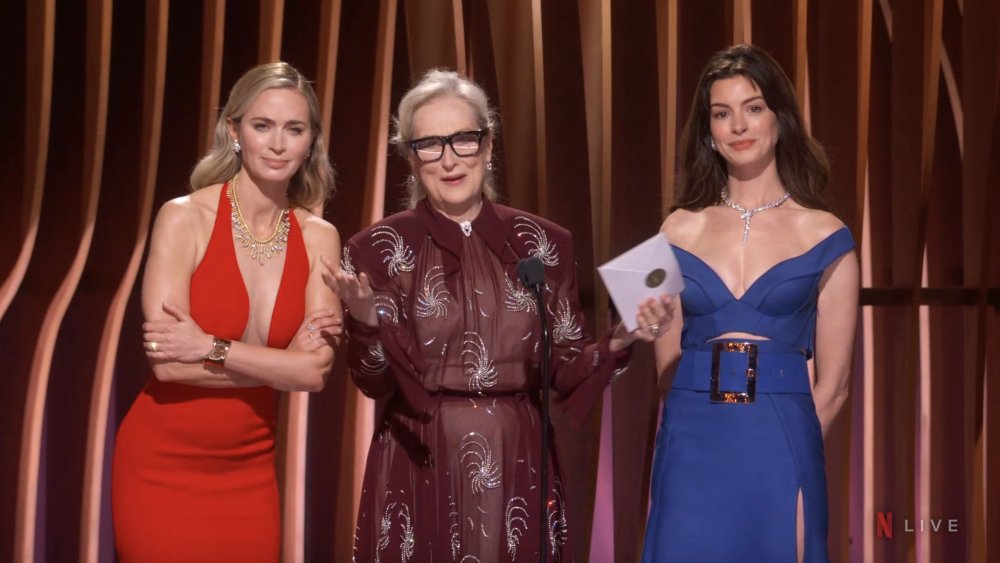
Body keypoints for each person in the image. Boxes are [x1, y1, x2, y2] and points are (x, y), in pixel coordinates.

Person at [323, 68, 672, 562]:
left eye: (464, 139)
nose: (449, 159)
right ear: (410, 158)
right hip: (418, 459)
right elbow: (376, 383)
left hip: (518, 464)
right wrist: (365, 323)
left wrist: (617, 341)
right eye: (430, 145)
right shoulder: (378, 249)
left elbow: (565, 368)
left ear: (487, 147)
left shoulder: (545, 243)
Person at [112, 62, 342, 562]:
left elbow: (316, 372)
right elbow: (169, 363)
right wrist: (281, 367)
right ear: (234, 132)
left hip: (251, 472)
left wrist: (211, 348)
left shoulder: (320, 238)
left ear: (311, 142)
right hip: (160, 465)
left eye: (294, 129)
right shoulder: (184, 218)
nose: (278, 144)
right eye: (262, 126)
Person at [641, 44, 859, 562]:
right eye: (721, 113)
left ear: (781, 119)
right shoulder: (673, 230)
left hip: (781, 439)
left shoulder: (828, 234)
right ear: (708, 133)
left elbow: (834, 387)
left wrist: (782, 442)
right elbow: (662, 367)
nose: (738, 124)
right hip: (691, 440)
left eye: (753, 107)